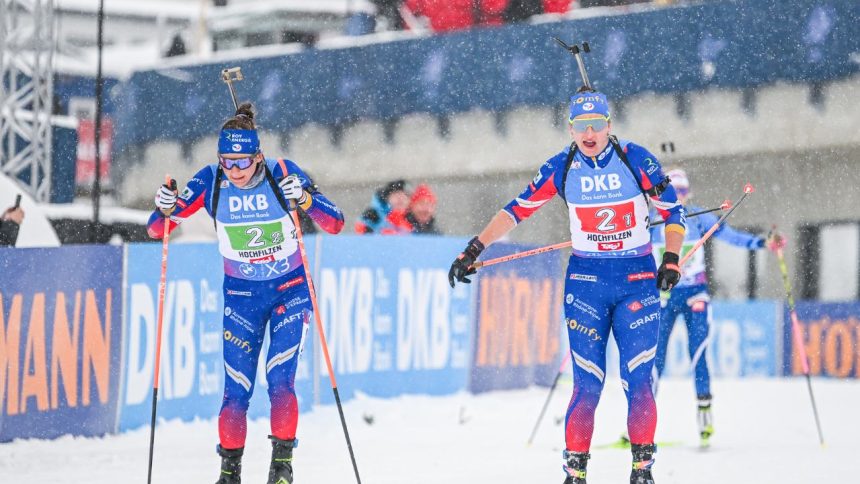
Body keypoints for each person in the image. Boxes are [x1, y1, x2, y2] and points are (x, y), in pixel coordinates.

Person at [448, 89, 686, 484]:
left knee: (639, 379)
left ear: (609, 125)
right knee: (587, 383)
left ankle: (642, 470)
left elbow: (673, 211)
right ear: (571, 129)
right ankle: (575, 473)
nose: (589, 133)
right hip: (587, 284)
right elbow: (516, 210)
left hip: (637, 281)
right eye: (580, 126)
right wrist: (475, 247)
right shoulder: (562, 166)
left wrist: (672, 258)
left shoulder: (637, 159)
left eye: (596, 125)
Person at [147, 102, 344, 484]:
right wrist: (164, 207)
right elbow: (159, 229)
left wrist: (304, 199)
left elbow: (334, 223)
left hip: (290, 290)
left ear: (258, 156)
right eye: (226, 162)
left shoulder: (282, 172)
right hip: (241, 298)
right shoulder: (210, 180)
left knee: (280, 381)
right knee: (235, 391)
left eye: (242, 162)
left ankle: (282, 468)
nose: (234, 171)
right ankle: (228, 472)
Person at [650, 168, 783, 447]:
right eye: (672, 192)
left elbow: (731, 237)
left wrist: (762, 243)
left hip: (695, 294)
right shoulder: (652, 221)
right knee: (653, 358)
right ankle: (639, 424)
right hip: (664, 296)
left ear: (690, 193)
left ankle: (705, 418)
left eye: (683, 191)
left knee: (698, 353)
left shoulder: (699, 218)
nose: (679, 197)